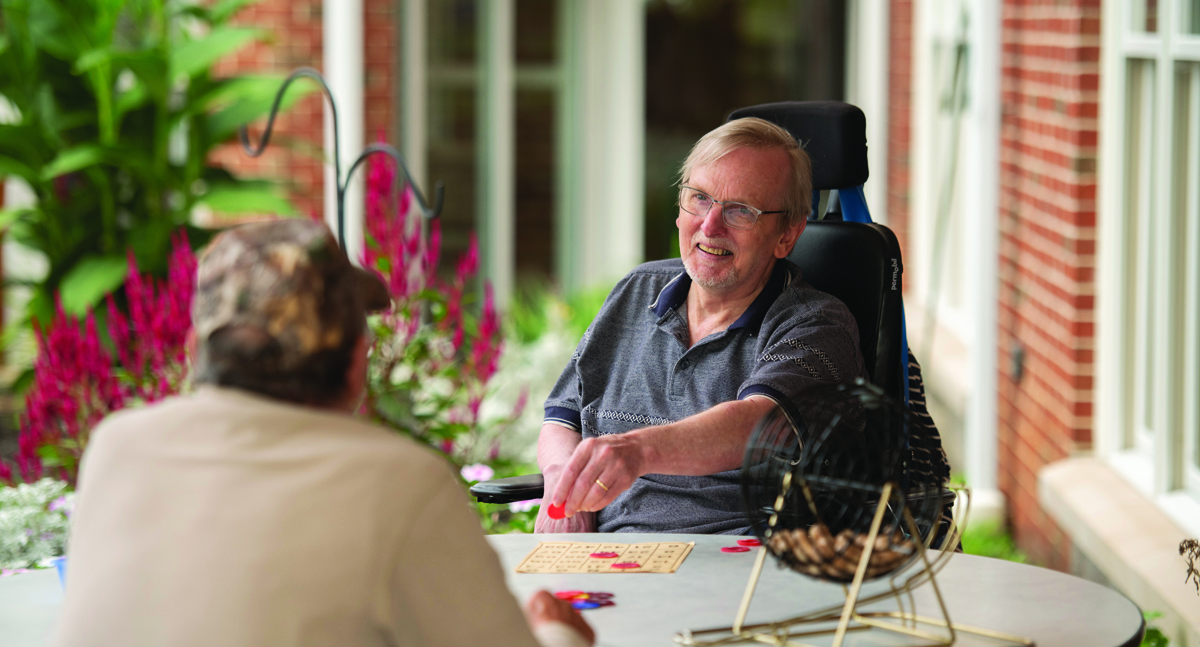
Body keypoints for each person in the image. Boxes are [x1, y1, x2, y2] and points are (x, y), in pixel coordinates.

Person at [53, 219, 593, 647]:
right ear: (357, 362)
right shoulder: (399, 481)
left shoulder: (116, 447)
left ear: (196, 348)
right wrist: (559, 632)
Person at [536, 118, 866, 534]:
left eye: (741, 210)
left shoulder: (818, 324)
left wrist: (636, 450)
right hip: (615, 561)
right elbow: (563, 415)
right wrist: (563, 485)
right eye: (700, 198)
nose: (711, 226)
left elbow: (760, 424)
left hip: (745, 569)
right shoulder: (636, 292)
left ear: (787, 234)